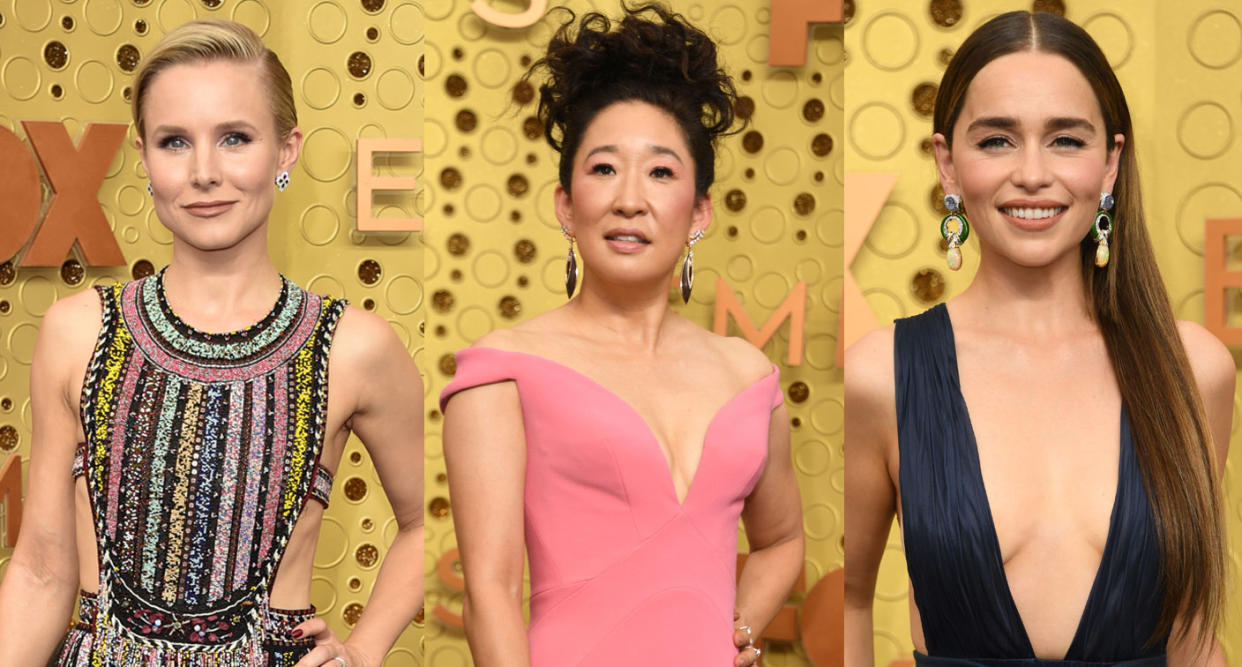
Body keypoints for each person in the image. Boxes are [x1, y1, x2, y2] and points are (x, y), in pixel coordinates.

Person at [0, 19, 424, 667]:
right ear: (143, 158)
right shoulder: (77, 331)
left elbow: (436, 521)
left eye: (235, 138)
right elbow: (38, 570)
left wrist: (365, 649)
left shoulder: (352, 347)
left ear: (285, 151)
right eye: (175, 141)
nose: (203, 172)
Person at [844, 10, 1232, 667]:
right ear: (948, 164)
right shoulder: (881, 372)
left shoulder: (1194, 368)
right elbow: (851, 598)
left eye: (1066, 140)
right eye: (996, 140)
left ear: (1110, 163)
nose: (1031, 173)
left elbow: (1192, 635)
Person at [438, 4, 805, 666]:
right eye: (604, 169)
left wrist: (731, 634)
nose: (629, 198)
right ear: (564, 205)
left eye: (661, 172)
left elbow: (782, 540)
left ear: (698, 213)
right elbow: (490, 592)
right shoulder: (504, 368)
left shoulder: (749, 376)